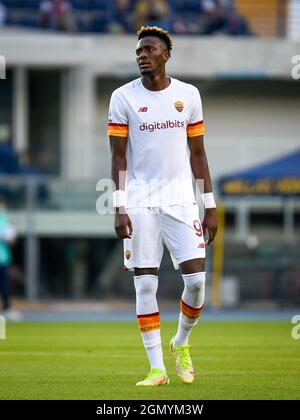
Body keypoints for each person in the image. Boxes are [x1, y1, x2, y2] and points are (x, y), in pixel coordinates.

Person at [107, 25, 217, 386]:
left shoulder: (189, 95)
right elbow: (118, 157)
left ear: (166, 55)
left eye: (149, 50)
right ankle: (157, 369)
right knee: (145, 286)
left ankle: (180, 342)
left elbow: (198, 155)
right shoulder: (122, 98)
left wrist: (210, 205)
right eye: (139, 51)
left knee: (198, 281)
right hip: (139, 202)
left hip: (181, 200)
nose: (142, 55)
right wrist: (119, 206)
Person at [0, 196, 22, 322]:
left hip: (3, 259)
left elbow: (9, 240)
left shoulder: (3, 219)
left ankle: (7, 309)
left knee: (5, 286)